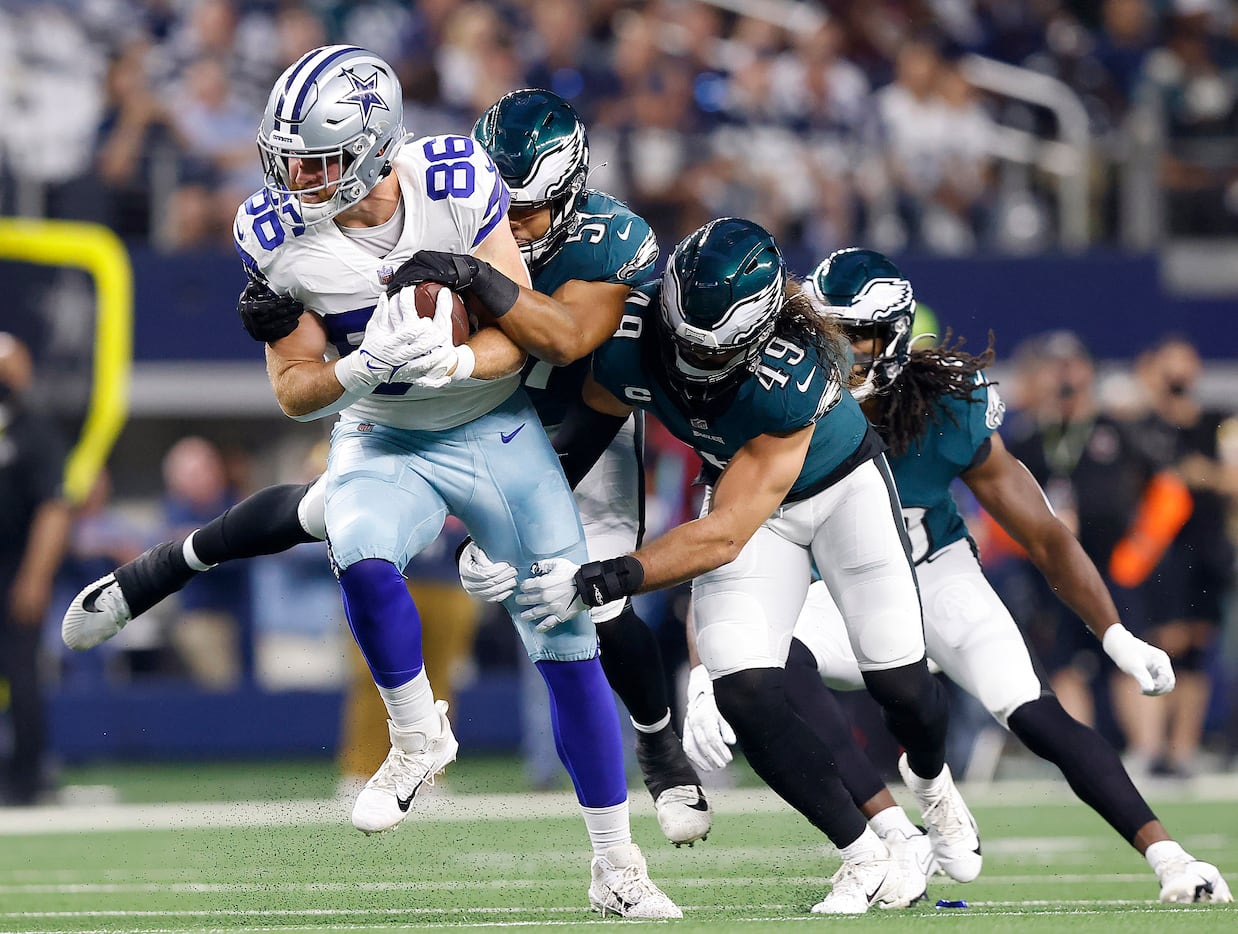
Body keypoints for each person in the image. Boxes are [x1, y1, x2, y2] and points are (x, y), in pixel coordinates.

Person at [64, 46, 679, 919]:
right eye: (288, 160)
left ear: (375, 141)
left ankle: (616, 864)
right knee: (353, 536)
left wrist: (459, 357)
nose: (295, 180)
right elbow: (293, 389)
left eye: (314, 159)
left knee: (565, 635)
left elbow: (528, 331)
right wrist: (361, 372)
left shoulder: (458, 180)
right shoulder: (273, 236)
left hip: (494, 425)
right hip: (382, 430)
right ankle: (414, 736)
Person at [678, 247, 1233, 905]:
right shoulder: (780, 406)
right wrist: (708, 668)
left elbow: (1045, 532)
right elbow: (727, 550)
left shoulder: (946, 409)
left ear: (891, 337)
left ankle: (1170, 858)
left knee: (1032, 712)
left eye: (856, 334)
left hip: (937, 576)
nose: (840, 351)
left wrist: (1114, 634)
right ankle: (892, 829)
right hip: (838, 588)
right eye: (828, 333)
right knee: (774, 667)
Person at [512, 218, 982, 914]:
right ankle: (865, 856)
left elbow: (727, 532)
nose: (694, 369)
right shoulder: (633, 342)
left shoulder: (798, 368)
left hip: (835, 492)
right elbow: (591, 428)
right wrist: (518, 521)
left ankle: (935, 785)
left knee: (902, 683)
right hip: (740, 490)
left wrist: (611, 574)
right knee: (744, 687)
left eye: (718, 352)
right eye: (683, 344)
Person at [1123, 334, 1237, 777]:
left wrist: (1198, 474)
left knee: (1197, 646)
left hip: (1207, 544)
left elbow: (1231, 479)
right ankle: (1152, 748)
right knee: (1162, 642)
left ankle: (1182, 747)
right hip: (1160, 550)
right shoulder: (1143, 426)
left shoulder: (1216, 422)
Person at [0, 333, 73, 805]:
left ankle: (28, 775)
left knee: (21, 672)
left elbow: (53, 508)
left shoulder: (33, 430)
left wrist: (34, 576)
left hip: (12, 565)